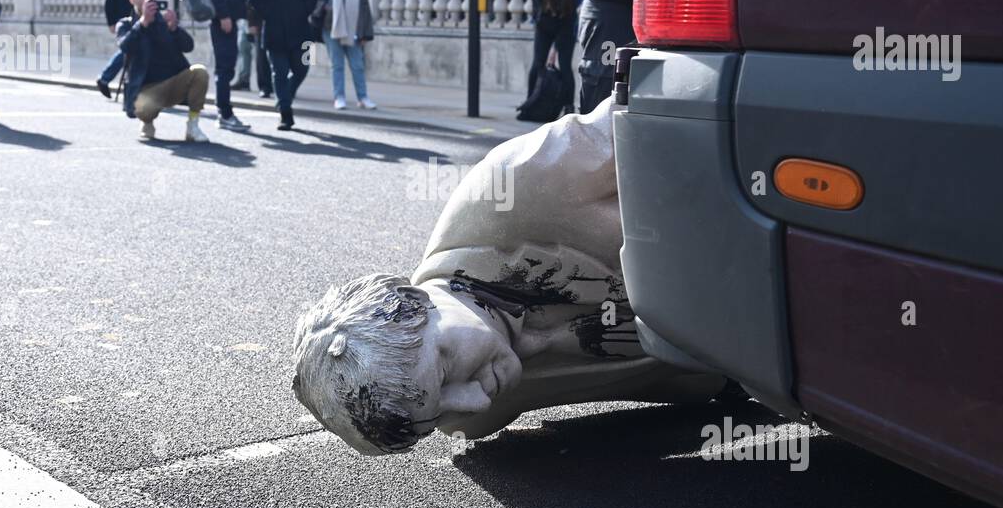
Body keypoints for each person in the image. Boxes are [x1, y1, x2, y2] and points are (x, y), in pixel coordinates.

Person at [292, 98, 724, 455]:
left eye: (444, 372)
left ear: (414, 300)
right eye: (439, 416)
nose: (475, 401)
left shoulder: (518, 184)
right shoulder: (481, 416)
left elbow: (678, 107)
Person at [101, 0, 210, 143]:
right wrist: (143, 23)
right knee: (143, 108)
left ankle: (193, 125)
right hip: (146, 90)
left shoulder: (163, 21)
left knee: (200, 72)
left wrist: (174, 29)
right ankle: (147, 122)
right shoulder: (126, 24)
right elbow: (125, 46)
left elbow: (189, 46)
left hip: (172, 82)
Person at [247, 0, 317, 130]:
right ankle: (285, 112)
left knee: (305, 66)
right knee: (278, 71)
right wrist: (268, 14)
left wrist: (305, 9)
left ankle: (286, 94)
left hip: (302, 27)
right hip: (274, 29)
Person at [517, 0, 583, 122]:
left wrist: (555, 49)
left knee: (565, 66)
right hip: (544, 26)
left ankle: (569, 107)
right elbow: (536, 11)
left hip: (565, 26)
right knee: (537, 65)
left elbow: (568, 20)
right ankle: (531, 104)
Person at [202, 0, 252, 132]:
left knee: (227, 66)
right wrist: (223, 16)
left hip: (229, 16)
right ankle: (225, 113)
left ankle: (225, 112)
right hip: (223, 18)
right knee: (225, 67)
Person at [311, 0, 377, 111]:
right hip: (331, 29)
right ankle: (339, 97)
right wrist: (326, 9)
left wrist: (364, 35)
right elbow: (317, 4)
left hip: (353, 32)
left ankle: (363, 97)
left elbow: (365, 12)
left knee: (357, 65)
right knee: (337, 65)